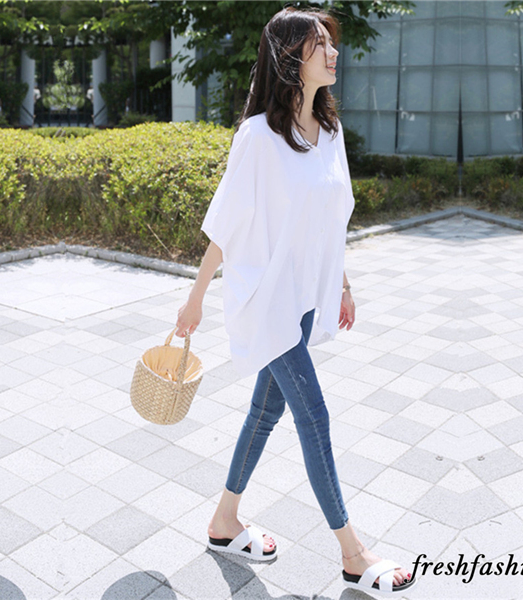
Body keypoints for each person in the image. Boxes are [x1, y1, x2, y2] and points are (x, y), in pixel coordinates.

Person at [175, 6, 416, 596]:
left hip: (304, 299)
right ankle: (353, 553)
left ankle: (224, 521)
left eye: (331, 43)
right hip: (266, 301)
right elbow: (227, 224)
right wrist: (195, 298)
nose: (333, 53)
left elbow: (330, 219)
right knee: (314, 415)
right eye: (319, 45)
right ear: (290, 58)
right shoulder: (258, 137)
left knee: (266, 411)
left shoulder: (330, 132)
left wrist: (342, 285)